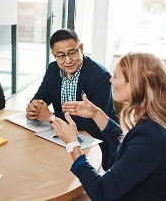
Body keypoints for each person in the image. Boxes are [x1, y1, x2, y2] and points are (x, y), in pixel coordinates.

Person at [52, 52, 166, 200]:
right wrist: (96, 114)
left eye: (115, 75)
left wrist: (72, 144)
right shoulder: (159, 120)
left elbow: (101, 193)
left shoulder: (150, 138)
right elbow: (130, 143)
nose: (110, 79)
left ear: (134, 84)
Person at [25, 29, 117, 170]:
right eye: (61, 56)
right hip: (61, 138)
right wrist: (34, 108)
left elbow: (93, 123)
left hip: (95, 141)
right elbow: (40, 97)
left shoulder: (101, 76)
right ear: (53, 55)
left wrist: (50, 116)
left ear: (80, 48)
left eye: (72, 53)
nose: (67, 60)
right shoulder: (53, 69)